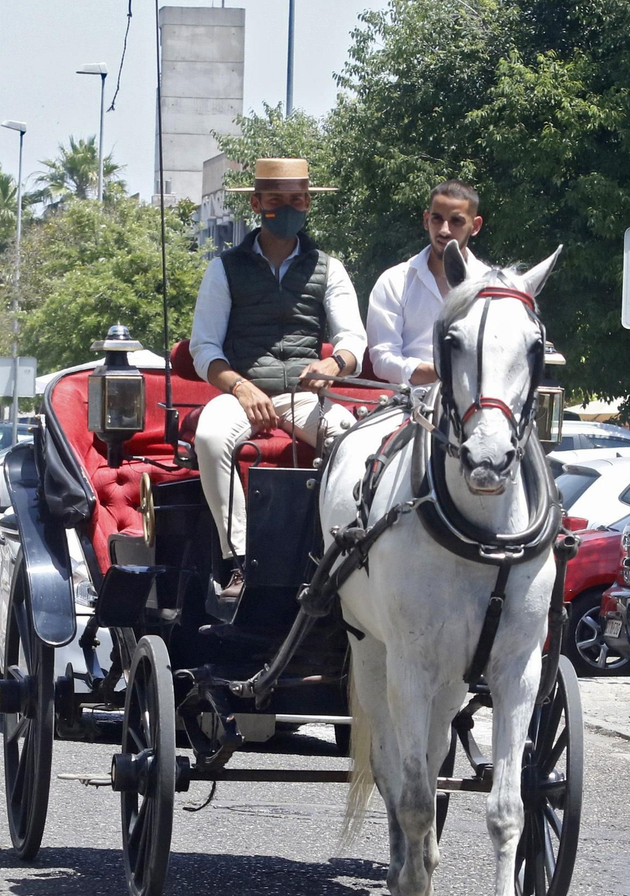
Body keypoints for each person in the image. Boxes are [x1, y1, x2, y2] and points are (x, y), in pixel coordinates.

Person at [189, 158, 365, 599]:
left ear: (308, 204)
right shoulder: (223, 269)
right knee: (211, 438)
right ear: (257, 203)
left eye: (297, 200)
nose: (288, 208)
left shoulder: (330, 268)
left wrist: (333, 365)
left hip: (304, 396)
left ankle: (337, 558)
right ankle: (238, 562)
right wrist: (240, 386)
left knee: (349, 437)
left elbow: (353, 341)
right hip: (242, 392)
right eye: (276, 200)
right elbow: (203, 349)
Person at [365, 181, 486, 385]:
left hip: (476, 407)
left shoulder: (491, 287)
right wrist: (444, 374)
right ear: (426, 220)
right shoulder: (394, 281)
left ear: (475, 226)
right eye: (437, 219)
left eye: (456, 221)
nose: (445, 230)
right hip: (408, 405)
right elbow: (383, 359)